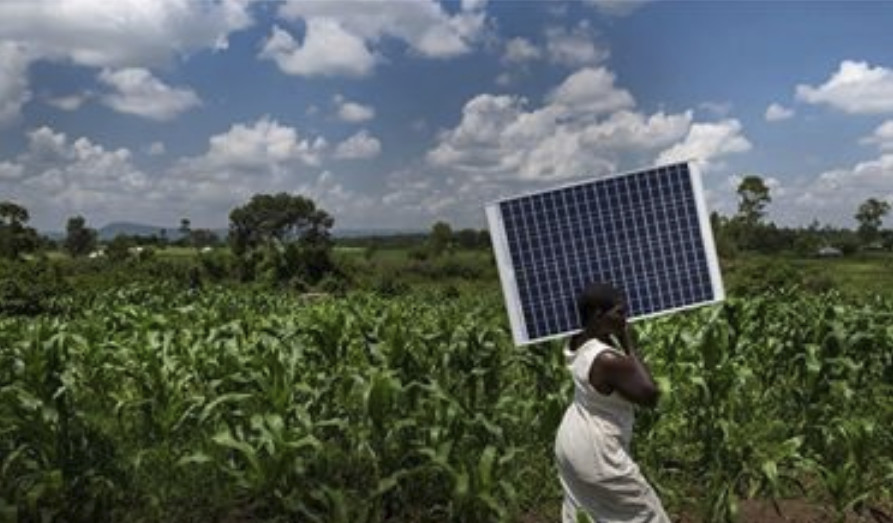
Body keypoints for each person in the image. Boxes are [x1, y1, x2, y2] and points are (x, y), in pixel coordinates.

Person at [554, 282, 669, 523]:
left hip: (572, 442)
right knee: (647, 514)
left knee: (589, 515)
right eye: (620, 312)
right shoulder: (607, 359)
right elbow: (649, 395)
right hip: (597, 452)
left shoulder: (577, 341)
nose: (625, 319)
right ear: (598, 314)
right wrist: (627, 341)